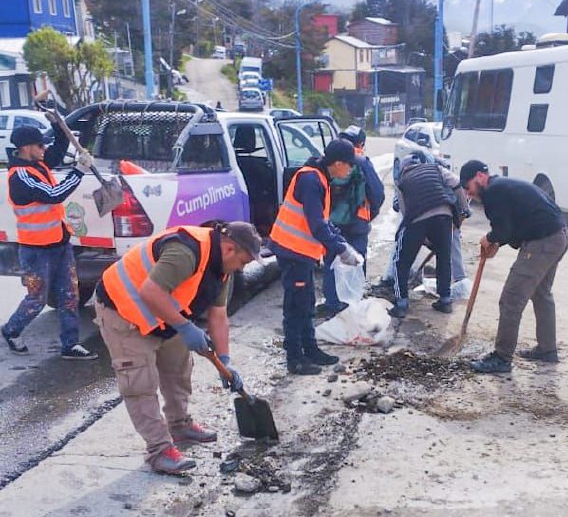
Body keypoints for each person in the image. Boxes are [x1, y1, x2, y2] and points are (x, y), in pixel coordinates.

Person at [94, 221, 260, 474]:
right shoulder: (186, 251)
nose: (242, 268)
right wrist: (184, 327)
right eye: (244, 262)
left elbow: (219, 315)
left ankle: (179, 425)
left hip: (164, 315)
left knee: (178, 368)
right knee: (140, 383)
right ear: (229, 249)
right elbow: (150, 292)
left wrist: (225, 360)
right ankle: (159, 451)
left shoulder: (221, 268)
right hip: (123, 311)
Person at [459, 160, 568, 375]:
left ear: (480, 177)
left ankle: (502, 358)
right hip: (558, 236)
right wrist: (497, 241)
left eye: (468, 186)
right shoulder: (502, 187)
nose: (468, 193)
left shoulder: (494, 193)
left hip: (544, 241)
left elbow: (503, 229)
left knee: (511, 298)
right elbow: (510, 228)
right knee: (541, 294)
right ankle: (547, 350)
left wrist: (490, 238)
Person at [1, 125, 98, 360]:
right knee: (37, 299)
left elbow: (57, 149)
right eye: (39, 145)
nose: (44, 149)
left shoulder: (38, 164)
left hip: (59, 244)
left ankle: (70, 345)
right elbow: (54, 194)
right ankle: (11, 330)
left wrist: (56, 124)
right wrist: (79, 170)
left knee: (69, 296)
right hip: (35, 251)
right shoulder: (21, 177)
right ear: (25, 148)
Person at [268, 138, 362, 375]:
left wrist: (341, 242)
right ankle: (295, 358)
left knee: (307, 302)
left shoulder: (320, 178)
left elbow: (324, 222)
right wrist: (341, 250)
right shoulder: (311, 180)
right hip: (292, 250)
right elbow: (316, 226)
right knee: (296, 305)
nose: (350, 170)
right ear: (338, 163)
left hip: (302, 252)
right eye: (349, 165)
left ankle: (310, 349)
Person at [317, 125, 385, 317]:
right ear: (361, 143)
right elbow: (377, 193)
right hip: (357, 224)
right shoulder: (361, 161)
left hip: (332, 223)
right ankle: (353, 305)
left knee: (331, 261)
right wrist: (368, 215)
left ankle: (332, 304)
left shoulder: (330, 160)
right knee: (356, 262)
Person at [388, 153, 466, 318]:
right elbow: (457, 183)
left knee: (400, 262)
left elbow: (405, 212)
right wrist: (463, 210)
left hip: (418, 218)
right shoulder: (436, 168)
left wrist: (413, 237)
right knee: (444, 258)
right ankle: (445, 300)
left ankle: (401, 303)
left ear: (403, 169)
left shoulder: (402, 182)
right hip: (445, 215)